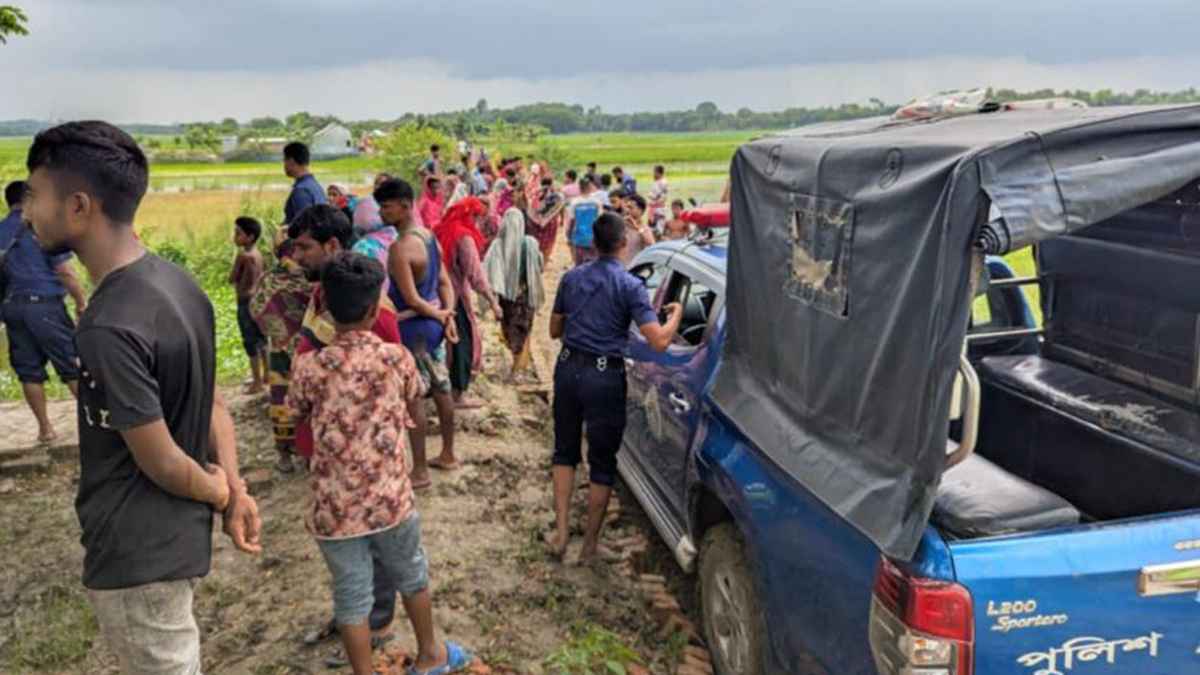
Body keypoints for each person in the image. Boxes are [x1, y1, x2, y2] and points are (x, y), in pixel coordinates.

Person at [24, 120, 261, 674]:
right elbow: (214, 405)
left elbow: (159, 460)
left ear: (79, 206)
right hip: (172, 544)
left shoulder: (107, 325)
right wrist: (234, 485)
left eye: (35, 195)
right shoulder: (180, 284)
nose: (28, 211)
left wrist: (222, 493)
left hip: (137, 554)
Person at [287, 252, 473, 675]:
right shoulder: (397, 359)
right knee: (413, 576)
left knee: (351, 596)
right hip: (390, 499)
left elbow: (294, 413)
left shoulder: (308, 367)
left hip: (334, 508)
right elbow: (413, 398)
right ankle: (431, 655)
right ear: (375, 309)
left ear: (328, 311)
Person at [287, 205, 410, 665]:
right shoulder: (325, 297)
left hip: (364, 464)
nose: (296, 256)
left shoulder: (373, 315)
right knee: (346, 551)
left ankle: (375, 624)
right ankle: (354, 619)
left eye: (304, 247)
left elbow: (397, 393)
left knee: (371, 547)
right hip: (326, 455)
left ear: (332, 247)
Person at [547, 213, 682, 564]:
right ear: (623, 243)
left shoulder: (571, 277)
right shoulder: (631, 286)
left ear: (593, 242)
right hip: (604, 377)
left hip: (568, 369)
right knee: (602, 462)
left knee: (564, 451)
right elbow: (658, 342)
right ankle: (590, 547)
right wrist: (677, 314)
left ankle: (560, 532)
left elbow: (553, 330)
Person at [378, 178, 461, 487]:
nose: (382, 213)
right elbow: (443, 281)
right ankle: (449, 454)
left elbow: (411, 298)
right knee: (441, 387)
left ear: (404, 205)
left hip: (413, 328)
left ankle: (421, 470)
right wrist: (446, 312)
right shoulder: (429, 238)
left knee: (414, 398)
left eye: (386, 207)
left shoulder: (400, 248)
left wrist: (440, 312)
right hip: (433, 325)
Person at [0, 180, 87, 443]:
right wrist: (81, 301)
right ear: (29, 200)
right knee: (71, 366)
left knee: (28, 370)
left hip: (12, 308)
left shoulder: (1, 230)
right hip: (45, 306)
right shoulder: (41, 228)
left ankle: (45, 429)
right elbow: (65, 271)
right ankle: (97, 426)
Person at [250, 230, 313, 474]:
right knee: (309, 399)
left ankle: (285, 455)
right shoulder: (312, 279)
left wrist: (278, 331)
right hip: (309, 348)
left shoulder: (270, 279)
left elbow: (256, 308)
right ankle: (308, 453)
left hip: (279, 349)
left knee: (281, 400)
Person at [435, 197, 502, 412]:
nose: (478, 222)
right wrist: (493, 302)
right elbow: (476, 275)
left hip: (436, 296)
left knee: (445, 342)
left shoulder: (438, 230)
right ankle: (458, 394)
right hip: (456, 298)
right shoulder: (463, 238)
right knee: (463, 342)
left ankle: (441, 388)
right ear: (469, 215)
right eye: (476, 216)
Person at [484, 208, 545, 381]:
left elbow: (489, 271)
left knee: (510, 330)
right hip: (525, 297)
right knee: (523, 330)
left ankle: (516, 369)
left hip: (506, 299)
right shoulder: (530, 244)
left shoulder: (497, 245)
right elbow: (539, 266)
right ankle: (518, 368)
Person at [230, 216, 268, 394]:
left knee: (250, 342)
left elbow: (232, 278)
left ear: (250, 237)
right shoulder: (258, 254)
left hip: (245, 301)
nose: (234, 237)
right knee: (262, 340)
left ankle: (257, 381)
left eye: (238, 233)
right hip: (258, 300)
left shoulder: (243, 256)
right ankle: (267, 374)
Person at [283, 141, 327, 224]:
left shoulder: (301, 191)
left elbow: (303, 226)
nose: (284, 165)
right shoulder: (315, 186)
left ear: (291, 161)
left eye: (284, 160)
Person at [565, 177, 605, 266]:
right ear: (589, 187)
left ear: (580, 188)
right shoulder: (596, 202)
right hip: (594, 237)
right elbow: (600, 219)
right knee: (594, 263)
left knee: (579, 263)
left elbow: (572, 221)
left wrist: (568, 236)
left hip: (579, 237)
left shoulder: (575, 202)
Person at [526, 176, 566, 261]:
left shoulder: (536, 194)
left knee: (538, 241)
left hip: (535, 223)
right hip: (551, 223)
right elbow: (561, 208)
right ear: (551, 184)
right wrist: (562, 219)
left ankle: (537, 258)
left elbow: (530, 206)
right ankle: (545, 259)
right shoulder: (557, 196)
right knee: (549, 242)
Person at [620, 194, 656, 265]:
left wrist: (637, 228)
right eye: (627, 207)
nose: (627, 210)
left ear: (640, 210)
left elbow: (652, 245)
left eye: (630, 208)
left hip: (634, 267)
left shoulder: (645, 229)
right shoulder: (621, 225)